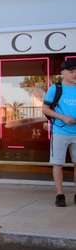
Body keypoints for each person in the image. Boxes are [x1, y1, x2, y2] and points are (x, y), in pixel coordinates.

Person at [42, 58, 76, 207]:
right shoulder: (56, 89)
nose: (74, 74)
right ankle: (60, 194)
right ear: (63, 73)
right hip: (60, 132)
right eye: (71, 71)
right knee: (58, 164)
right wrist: (63, 117)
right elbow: (45, 108)